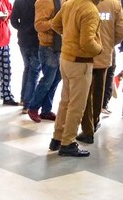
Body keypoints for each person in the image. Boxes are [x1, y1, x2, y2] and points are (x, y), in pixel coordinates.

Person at [48, 0, 102, 157]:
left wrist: (70, 37)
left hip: (65, 59)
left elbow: (55, 25)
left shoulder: (69, 3)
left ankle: (57, 138)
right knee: (77, 105)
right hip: (80, 63)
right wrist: (99, 49)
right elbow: (87, 42)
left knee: (65, 101)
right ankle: (68, 142)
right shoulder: (90, 10)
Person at [76, 0, 123, 144]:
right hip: (104, 55)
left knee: (86, 94)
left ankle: (87, 130)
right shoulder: (114, 4)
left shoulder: (82, 2)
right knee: (99, 91)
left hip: (84, 55)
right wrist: (109, 43)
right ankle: (95, 120)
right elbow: (122, 29)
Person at [26, 0, 62, 123]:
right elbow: (39, 25)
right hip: (48, 47)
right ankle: (33, 108)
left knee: (56, 79)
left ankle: (46, 110)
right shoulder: (44, 1)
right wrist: (57, 22)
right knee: (47, 80)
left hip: (61, 46)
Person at [10, 0, 41, 113]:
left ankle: (23, 99)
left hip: (23, 40)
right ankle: (27, 104)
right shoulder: (38, 2)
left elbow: (13, 21)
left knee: (27, 68)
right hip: (35, 40)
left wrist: (22, 29)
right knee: (34, 72)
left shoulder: (18, 1)